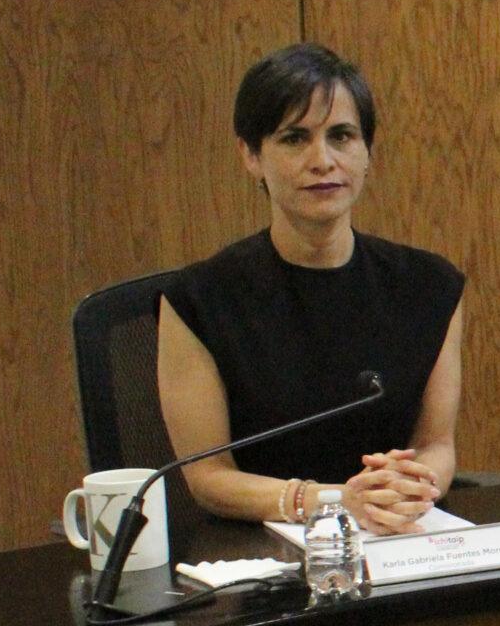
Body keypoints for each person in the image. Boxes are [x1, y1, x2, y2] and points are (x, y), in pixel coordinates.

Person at [157, 43, 466, 533]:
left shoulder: (430, 287)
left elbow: (436, 445)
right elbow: (207, 477)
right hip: (259, 551)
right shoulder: (199, 301)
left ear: (367, 152)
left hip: (394, 540)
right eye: (295, 138)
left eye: (341, 136)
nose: (322, 160)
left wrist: (409, 488)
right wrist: (334, 501)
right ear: (251, 156)